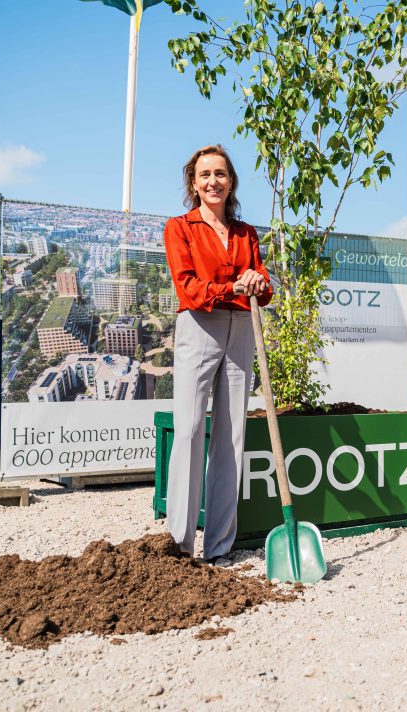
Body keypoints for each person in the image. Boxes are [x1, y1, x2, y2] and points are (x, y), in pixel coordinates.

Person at [163, 144, 271, 562]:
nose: (213, 182)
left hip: (243, 327)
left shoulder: (246, 233)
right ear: (193, 182)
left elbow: (261, 277)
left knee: (231, 437)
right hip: (199, 324)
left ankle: (219, 547)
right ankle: (179, 545)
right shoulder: (180, 227)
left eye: (221, 174)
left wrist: (258, 283)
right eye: (205, 175)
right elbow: (187, 286)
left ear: (231, 182)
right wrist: (232, 288)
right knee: (189, 431)